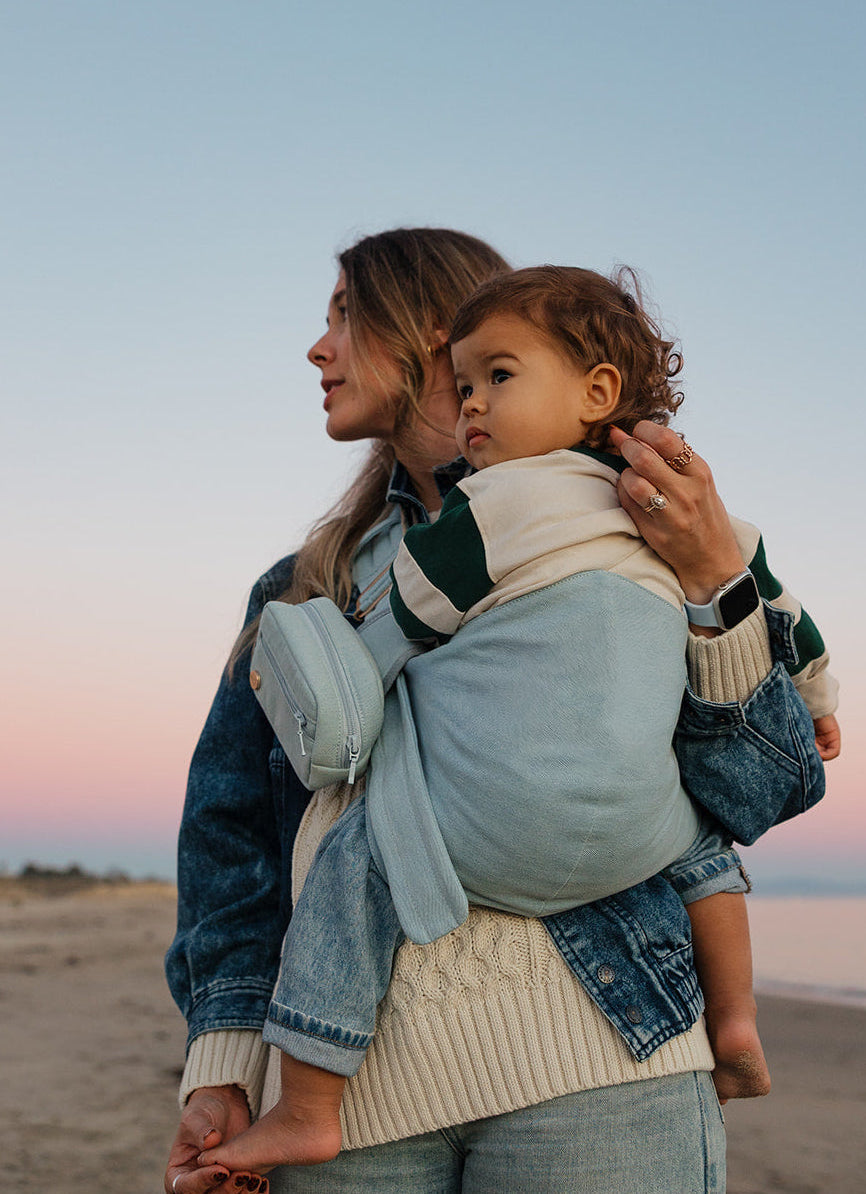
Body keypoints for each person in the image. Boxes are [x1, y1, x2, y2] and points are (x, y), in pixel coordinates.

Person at [164, 229, 836, 1194]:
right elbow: (231, 838)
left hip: (606, 1071)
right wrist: (225, 1069)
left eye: (345, 314)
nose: (318, 349)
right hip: (350, 1108)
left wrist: (717, 583)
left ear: (437, 337)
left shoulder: (647, 535)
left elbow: (765, 790)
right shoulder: (303, 587)